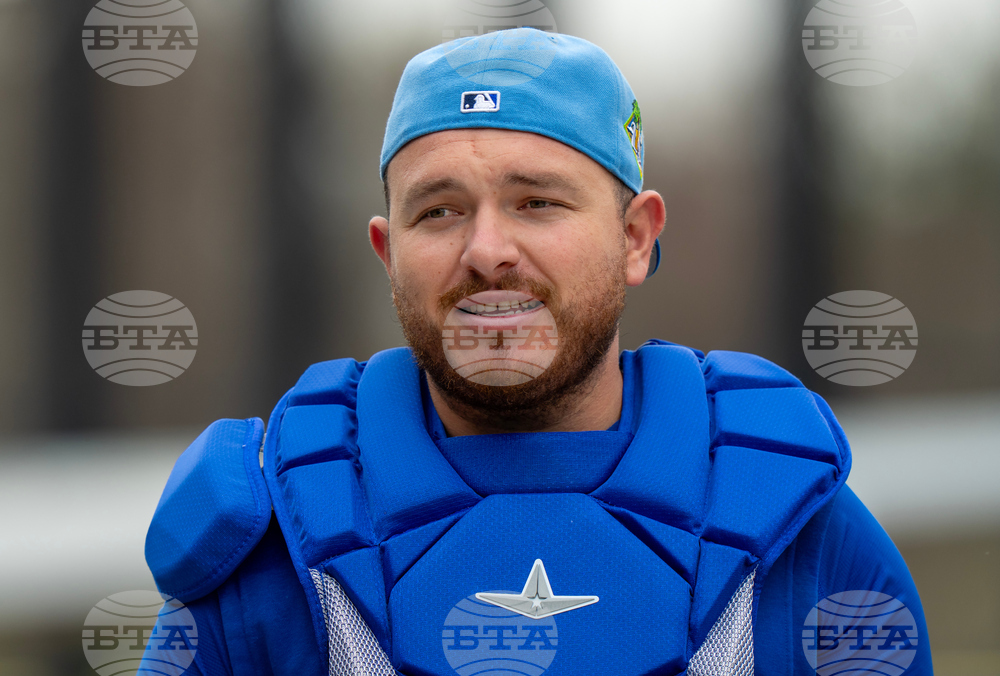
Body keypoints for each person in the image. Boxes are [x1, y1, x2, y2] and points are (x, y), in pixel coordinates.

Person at [142, 28, 932, 676]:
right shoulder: (274, 540)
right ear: (388, 254)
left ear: (635, 237)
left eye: (537, 202)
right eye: (440, 211)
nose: (488, 250)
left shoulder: (796, 523)